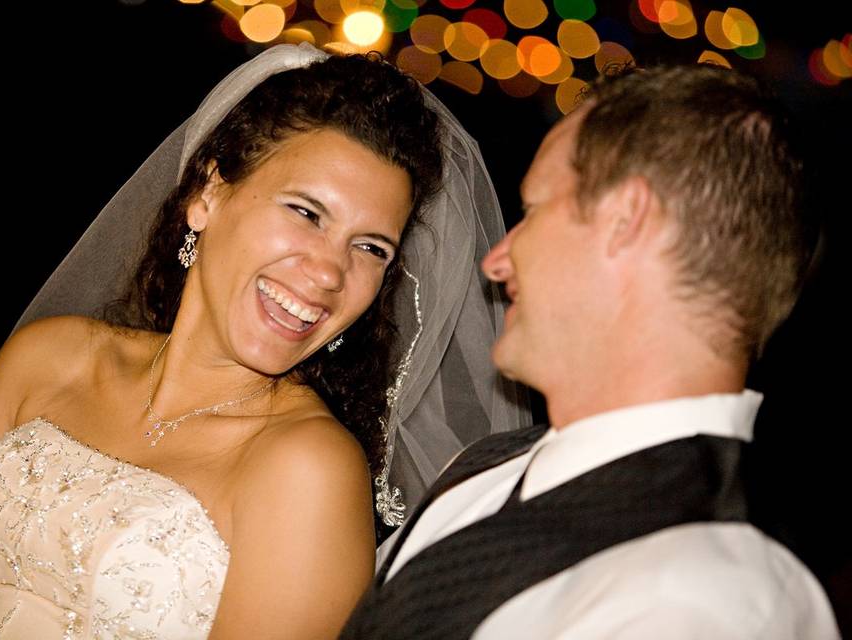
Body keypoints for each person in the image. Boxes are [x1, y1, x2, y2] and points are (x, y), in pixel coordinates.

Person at [0, 44, 528, 638]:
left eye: (370, 248)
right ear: (208, 194)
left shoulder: (307, 467)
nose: (331, 273)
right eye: (306, 213)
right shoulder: (49, 358)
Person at [340, 64, 840, 638]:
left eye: (533, 212)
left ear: (627, 221)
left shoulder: (708, 601)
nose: (496, 262)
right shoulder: (485, 469)